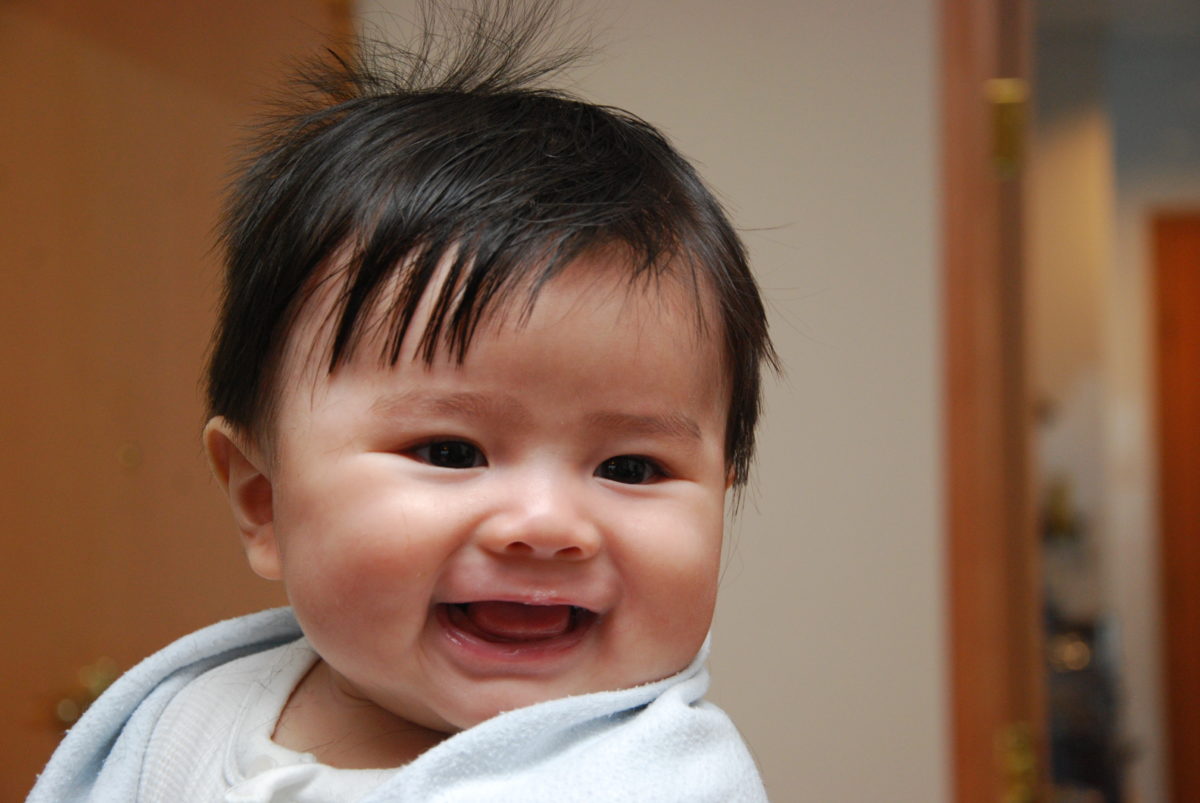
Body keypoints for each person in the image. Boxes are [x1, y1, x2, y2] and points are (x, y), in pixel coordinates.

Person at [29, 3, 776, 800]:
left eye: (630, 466)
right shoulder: (184, 719)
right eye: (451, 452)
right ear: (261, 497)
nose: (549, 525)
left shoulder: (654, 782)